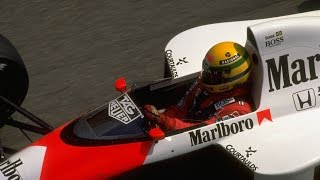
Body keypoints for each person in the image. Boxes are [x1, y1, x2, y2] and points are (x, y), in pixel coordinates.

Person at [144, 41, 255, 132]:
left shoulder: (238, 111)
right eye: (207, 71)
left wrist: (164, 121)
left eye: (213, 75)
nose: (205, 77)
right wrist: (158, 118)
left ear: (232, 77)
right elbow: (180, 109)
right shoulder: (203, 84)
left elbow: (200, 132)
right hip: (180, 126)